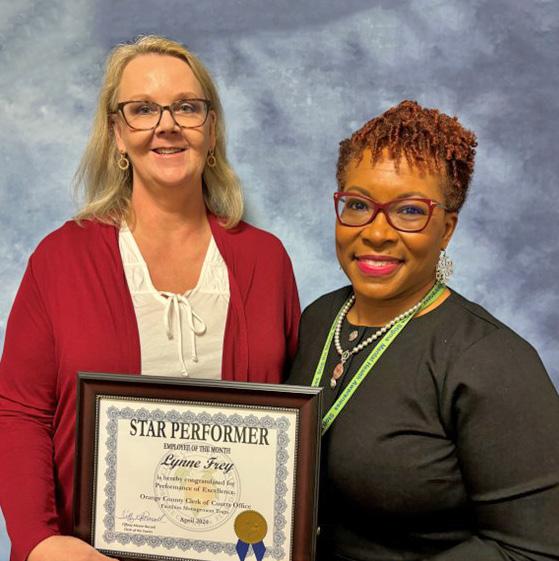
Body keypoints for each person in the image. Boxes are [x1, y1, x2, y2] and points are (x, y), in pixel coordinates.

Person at [0, 35, 300, 561]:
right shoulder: (60, 259)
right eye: (142, 109)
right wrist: (40, 542)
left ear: (210, 128)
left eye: (187, 107)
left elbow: (293, 417)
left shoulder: (265, 260)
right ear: (117, 134)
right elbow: (19, 412)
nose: (167, 125)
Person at [288, 100, 559, 560]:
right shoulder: (319, 318)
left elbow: (534, 550)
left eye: (410, 211)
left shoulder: (492, 361)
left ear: (446, 229)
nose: (377, 233)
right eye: (358, 205)